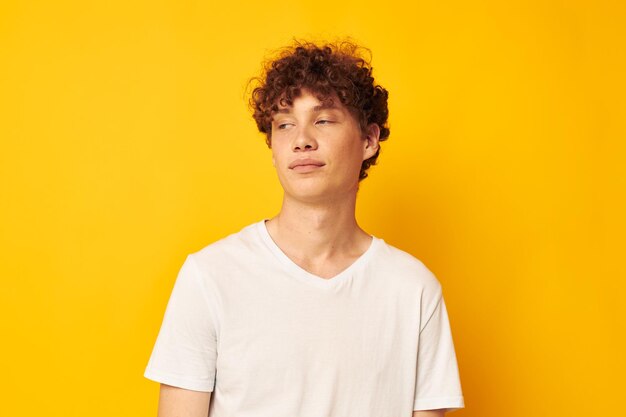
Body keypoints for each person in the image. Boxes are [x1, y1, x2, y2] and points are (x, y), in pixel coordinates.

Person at [144, 40, 465, 417]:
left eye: (323, 120)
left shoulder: (414, 290)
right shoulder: (210, 276)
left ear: (369, 140)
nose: (301, 141)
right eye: (284, 125)